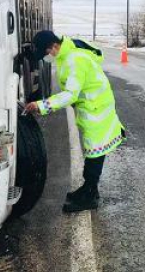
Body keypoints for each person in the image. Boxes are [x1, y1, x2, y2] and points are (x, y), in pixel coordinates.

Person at [24, 31, 125, 213]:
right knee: (93, 149)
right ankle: (88, 190)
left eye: (47, 53)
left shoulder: (74, 60)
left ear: (54, 46)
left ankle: (90, 195)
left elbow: (71, 94)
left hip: (96, 109)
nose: (48, 57)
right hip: (95, 106)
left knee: (95, 151)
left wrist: (42, 105)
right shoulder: (68, 54)